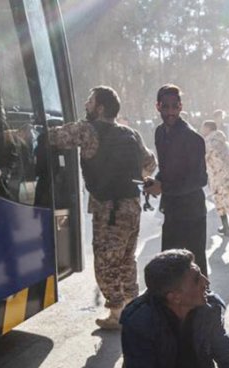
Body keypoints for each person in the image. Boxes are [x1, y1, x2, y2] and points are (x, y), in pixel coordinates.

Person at [49, 86, 156, 330]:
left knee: (106, 262)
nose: (86, 104)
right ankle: (132, 307)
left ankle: (117, 314)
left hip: (109, 210)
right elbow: (150, 163)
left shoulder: (87, 130)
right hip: (132, 206)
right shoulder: (131, 133)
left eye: (89, 101)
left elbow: (54, 137)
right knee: (127, 259)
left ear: (100, 108)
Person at [147, 84, 210, 275]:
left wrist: (163, 187)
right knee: (169, 267)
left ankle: (203, 304)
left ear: (181, 107)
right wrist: (154, 181)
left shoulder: (192, 138)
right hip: (171, 211)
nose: (170, 112)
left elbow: (200, 179)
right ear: (157, 106)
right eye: (165, 107)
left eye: (174, 106)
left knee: (194, 267)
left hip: (192, 214)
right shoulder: (160, 132)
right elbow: (165, 169)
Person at [202, 120, 229, 237]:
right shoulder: (218, 139)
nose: (202, 130)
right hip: (218, 176)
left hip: (221, 178)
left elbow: (203, 157)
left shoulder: (211, 141)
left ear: (208, 128)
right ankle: (226, 227)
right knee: (219, 202)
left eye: (203, 128)